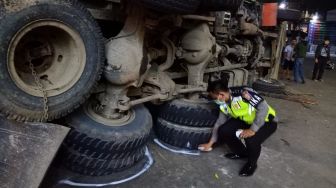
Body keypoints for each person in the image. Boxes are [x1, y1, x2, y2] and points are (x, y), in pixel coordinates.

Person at [198, 81, 278, 177]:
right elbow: (219, 123)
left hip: (267, 121)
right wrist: (210, 143)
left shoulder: (244, 93)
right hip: (247, 120)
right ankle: (241, 153)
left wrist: (252, 130)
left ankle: (251, 165)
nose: (214, 100)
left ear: (221, 95)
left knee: (251, 139)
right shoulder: (224, 103)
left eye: (214, 98)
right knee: (224, 130)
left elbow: (263, 108)